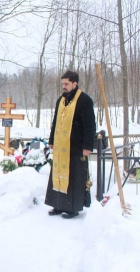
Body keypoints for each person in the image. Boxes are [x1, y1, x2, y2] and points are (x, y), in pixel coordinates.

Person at [45, 70, 96, 219]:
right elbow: (55, 122)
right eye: (62, 84)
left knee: (74, 177)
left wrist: (87, 146)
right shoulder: (60, 100)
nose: (64, 86)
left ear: (75, 83)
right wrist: (51, 141)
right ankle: (58, 205)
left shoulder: (84, 100)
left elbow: (89, 125)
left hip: (75, 147)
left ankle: (72, 208)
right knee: (57, 175)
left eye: (66, 84)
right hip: (61, 147)